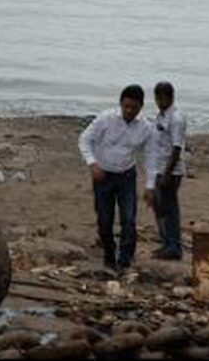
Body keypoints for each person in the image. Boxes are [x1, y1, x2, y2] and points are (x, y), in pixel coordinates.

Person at [78, 84, 154, 272]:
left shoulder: (146, 128)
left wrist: (151, 184)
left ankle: (125, 261)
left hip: (127, 176)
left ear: (141, 107)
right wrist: (92, 163)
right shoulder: (106, 119)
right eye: (125, 106)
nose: (128, 111)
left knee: (128, 219)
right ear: (120, 104)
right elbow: (85, 139)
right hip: (102, 175)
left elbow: (152, 156)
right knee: (105, 219)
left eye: (133, 108)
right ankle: (109, 256)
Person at [145, 81, 187, 260]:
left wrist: (168, 174)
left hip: (171, 171)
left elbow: (177, 148)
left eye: (163, 98)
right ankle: (167, 243)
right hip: (159, 168)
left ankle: (173, 246)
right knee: (160, 207)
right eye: (157, 98)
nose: (160, 101)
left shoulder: (176, 118)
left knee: (169, 209)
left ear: (171, 97)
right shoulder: (161, 116)